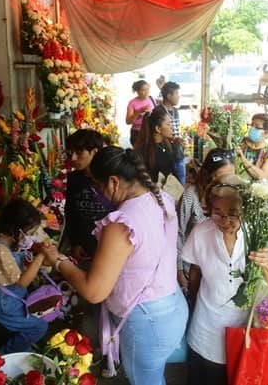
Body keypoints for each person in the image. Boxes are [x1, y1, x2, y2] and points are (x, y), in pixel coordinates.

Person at [42, 147, 188, 385]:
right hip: (171, 307)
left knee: (145, 380)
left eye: (99, 186)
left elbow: (94, 291)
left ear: (113, 181)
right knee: (153, 376)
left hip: (146, 322)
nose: (99, 193)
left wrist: (59, 261)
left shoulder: (122, 223)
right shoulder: (160, 198)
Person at [182, 174, 268, 385]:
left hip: (247, 332)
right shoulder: (200, 233)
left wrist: (267, 263)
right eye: (218, 213)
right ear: (209, 209)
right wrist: (191, 303)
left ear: (245, 210)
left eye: (233, 214)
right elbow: (195, 274)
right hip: (206, 330)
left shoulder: (258, 233)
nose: (225, 221)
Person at [0, 198, 50, 354]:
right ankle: (4, 355)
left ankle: (21, 347)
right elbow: (22, 282)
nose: (32, 237)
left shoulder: (9, 240)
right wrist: (40, 257)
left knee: (38, 312)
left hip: (13, 298)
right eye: (30, 233)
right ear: (15, 229)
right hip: (4, 303)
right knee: (39, 326)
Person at [177, 148, 236, 293]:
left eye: (232, 176)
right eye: (222, 177)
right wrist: (179, 271)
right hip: (193, 269)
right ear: (210, 175)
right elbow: (178, 233)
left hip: (221, 275)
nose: (228, 182)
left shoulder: (236, 198)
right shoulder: (191, 196)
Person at [64, 129, 109, 262]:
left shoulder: (109, 180)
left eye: (78, 153)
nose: (73, 158)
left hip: (108, 244)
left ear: (94, 152)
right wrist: (76, 243)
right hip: (84, 245)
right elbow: (71, 213)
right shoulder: (74, 179)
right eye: (71, 153)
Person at [134, 108, 180, 183]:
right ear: (158, 128)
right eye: (168, 124)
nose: (172, 127)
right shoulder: (144, 151)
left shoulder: (167, 143)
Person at [153, 81, 186, 185]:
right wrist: (172, 146)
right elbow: (161, 135)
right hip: (168, 153)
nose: (178, 96)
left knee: (181, 182)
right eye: (176, 93)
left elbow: (175, 132)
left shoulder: (175, 111)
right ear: (169, 96)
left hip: (177, 151)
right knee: (170, 183)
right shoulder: (159, 111)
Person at [236, 113, 268, 180]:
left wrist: (243, 159)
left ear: (267, 133)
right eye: (252, 125)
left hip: (253, 189)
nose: (252, 128)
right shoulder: (241, 141)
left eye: (257, 127)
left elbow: (263, 176)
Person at [126, 80, 157, 146]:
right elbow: (128, 121)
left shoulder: (151, 99)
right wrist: (139, 112)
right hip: (138, 133)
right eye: (143, 90)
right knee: (139, 155)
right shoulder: (132, 103)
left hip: (150, 131)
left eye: (148, 89)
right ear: (137, 91)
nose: (146, 92)